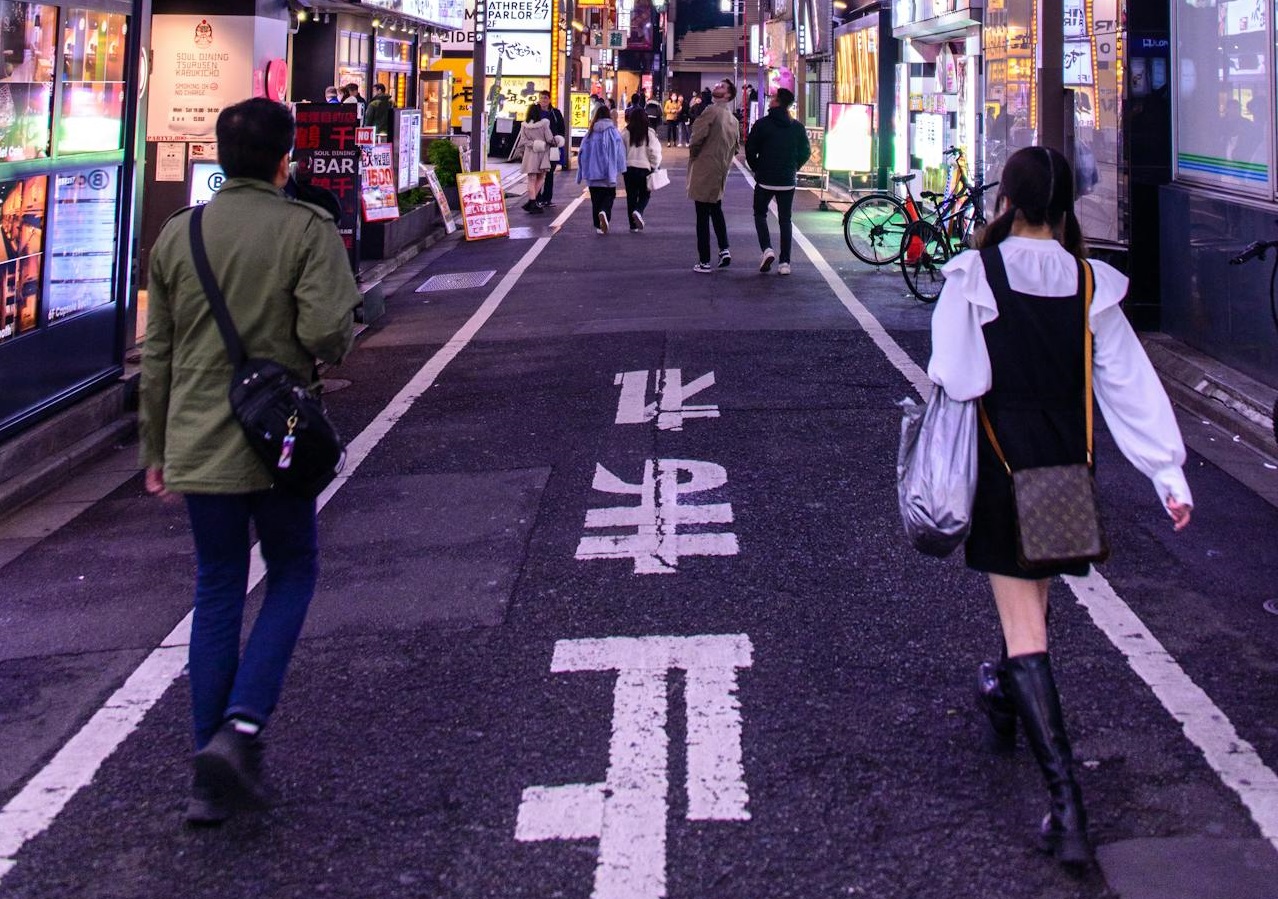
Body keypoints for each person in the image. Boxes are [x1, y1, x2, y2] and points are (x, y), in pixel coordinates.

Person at [927, 146, 1193, 867]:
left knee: (1027, 631)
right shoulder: (1089, 283)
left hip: (1002, 464)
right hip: (1065, 468)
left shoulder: (975, 275)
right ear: (1065, 203)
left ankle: (1068, 809)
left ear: (1007, 198)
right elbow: (1128, 382)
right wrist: (1168, 474)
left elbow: (955, 372)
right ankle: (1003, 692)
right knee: (1032, 612)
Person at [139, 97, 361, 825]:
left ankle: (210, 773)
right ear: (283, 159)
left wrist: (155, 450)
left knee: (217, 587)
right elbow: (329, 333)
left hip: (198, 444)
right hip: (279, 438)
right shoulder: (305, 228)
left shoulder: (182, 233)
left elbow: (159, 354)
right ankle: (240, 726)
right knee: (293, 569)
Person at [745, 87, 810, 276]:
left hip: (765, 179)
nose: (770, 99)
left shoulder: (762, 124)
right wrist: (793, 167)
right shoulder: (797, 126)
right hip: (787, 180)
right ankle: (785, 263)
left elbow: (750, 148)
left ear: (777, 102)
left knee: (760, 214)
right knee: (785, 220)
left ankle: (767, 249)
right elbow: (806, 151)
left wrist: (757, 167)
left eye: (773, 97)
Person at [687, 78, 740, 272]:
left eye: (722, 87)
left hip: (704, 168)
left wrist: (694, 156)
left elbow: (696, 138)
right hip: (720, 171)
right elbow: (736, 148)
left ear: (728, 95)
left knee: (702, 215)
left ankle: (704, 261)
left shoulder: (710, 111)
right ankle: (724, 249)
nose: (717, 86)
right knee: (716, 209)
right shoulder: (733, 120)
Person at [576, 105, 626, 234]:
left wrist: (582, 171)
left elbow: (582, 152)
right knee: (609, 195)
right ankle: (604, 212)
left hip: (593, 173)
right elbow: (620, 152)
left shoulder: (590, 133)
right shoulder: (614, 132)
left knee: (595, 199)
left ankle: (598, 226)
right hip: (608, 172)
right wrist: (621, 167)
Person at [621, 106, 662, 231]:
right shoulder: (649, 133)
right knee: (645, 194)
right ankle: (638, 211)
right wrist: (655, 166)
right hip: (644, 168)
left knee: (631, 196)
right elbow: (654, 152)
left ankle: (633, 225)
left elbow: (620, 152)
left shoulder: (625, 132)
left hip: (628, 169)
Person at [519, 108, 559, 215]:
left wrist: (533, 144)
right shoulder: (544, 124)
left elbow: (523, 141)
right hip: (542, 154)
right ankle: (532, 202)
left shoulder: (524, 126)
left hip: (530, 155)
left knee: (531, 179)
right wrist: (556, 141)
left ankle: (531, 201)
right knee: (541, 177)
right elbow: (550, 139)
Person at [533, 90, 566, 208]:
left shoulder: (555, 113)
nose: (543, 100)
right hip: (538, 147)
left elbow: (562, 128)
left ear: (550, 100)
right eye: (541, 98)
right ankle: (536, 198)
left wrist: (558, 140)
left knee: (550, 172)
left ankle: (547, 198)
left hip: (552, 146)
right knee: (538, 172)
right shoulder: (534, 112)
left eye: (546, 98)